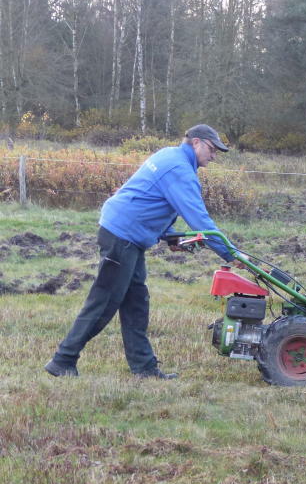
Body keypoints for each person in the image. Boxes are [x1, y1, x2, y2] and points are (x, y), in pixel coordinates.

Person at [45, 124, 242, 380]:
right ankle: (63, 360)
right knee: (104, 302)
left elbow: (150, 199)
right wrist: (231, 255)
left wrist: (168, 235)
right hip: (122, 235)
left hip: (128, 234)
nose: (214, 156)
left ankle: (145, 368)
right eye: (212, 149)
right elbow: (200, 220)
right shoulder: (179, 169)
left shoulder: (168, 155)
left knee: (136, 303)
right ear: (196, 142)